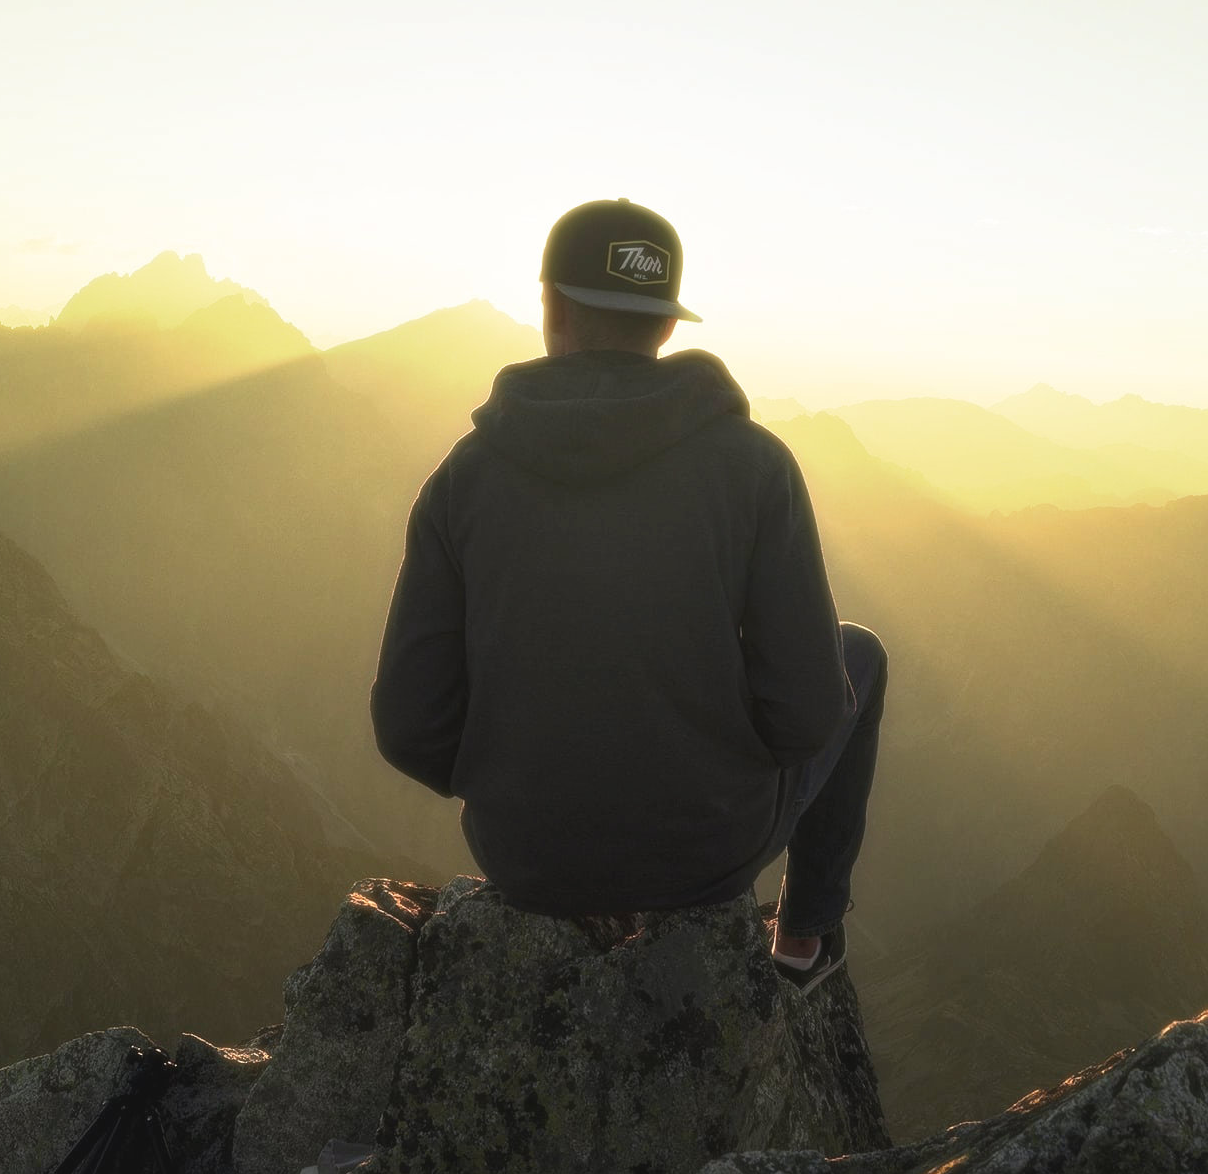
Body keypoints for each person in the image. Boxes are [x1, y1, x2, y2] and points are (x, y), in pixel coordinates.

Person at [371, 197, 886, 992]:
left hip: (524, 856)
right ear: (669, 326)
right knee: (861, 654)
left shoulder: (463, 479)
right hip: (707, 853)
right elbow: (811, 712)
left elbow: (409, 727)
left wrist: (518, 778)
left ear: (549, 308)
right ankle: (802, 938)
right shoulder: (755, 469)